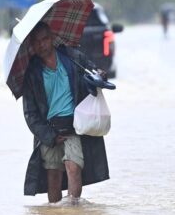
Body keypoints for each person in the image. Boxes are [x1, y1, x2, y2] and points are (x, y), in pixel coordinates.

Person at [21, 22, 110, 203]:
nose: (41, 45)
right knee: (53, 176)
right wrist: (49, 136)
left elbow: (93, 71)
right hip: (49, 131)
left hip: (73, 127)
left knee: (73, 167)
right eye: (36, 42)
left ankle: (72, 212)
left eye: (45, 39)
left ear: (52, 38)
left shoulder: (73, 58)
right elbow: (30, 114)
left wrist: (100, 74)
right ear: (32, 45)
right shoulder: (31, 73)